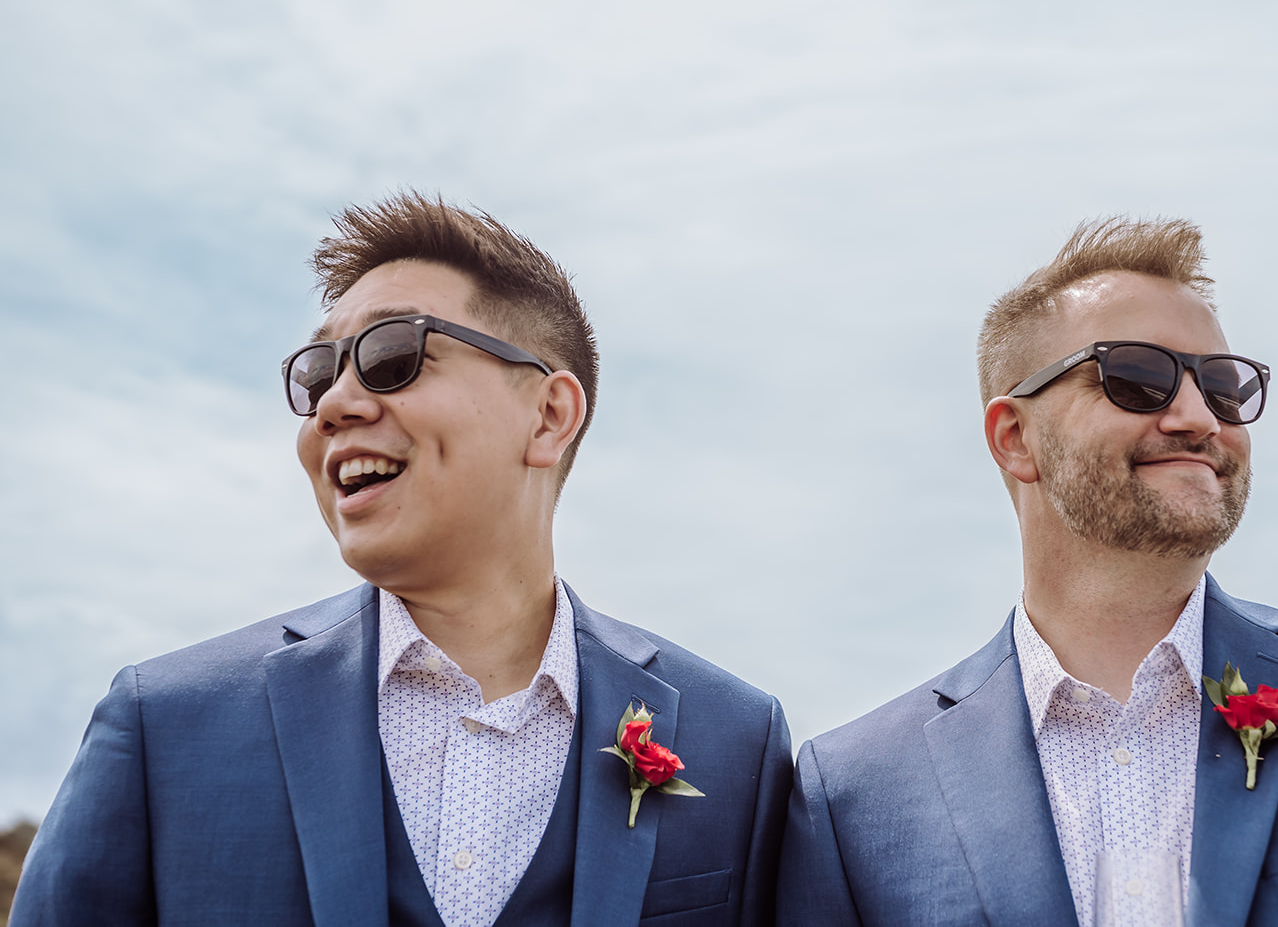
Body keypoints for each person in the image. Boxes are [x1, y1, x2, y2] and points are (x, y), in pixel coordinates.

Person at [776, 217, 1278, 926]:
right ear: (1014, 437)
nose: (1198, 417)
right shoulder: (853, 797)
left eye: (1225, 387)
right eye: (1137, 375)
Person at [15, 193, 792, 927]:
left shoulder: (738, 742)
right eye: (318, 374)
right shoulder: (163, 726)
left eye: (393, 354)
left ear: (549, 415)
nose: (332, 405)